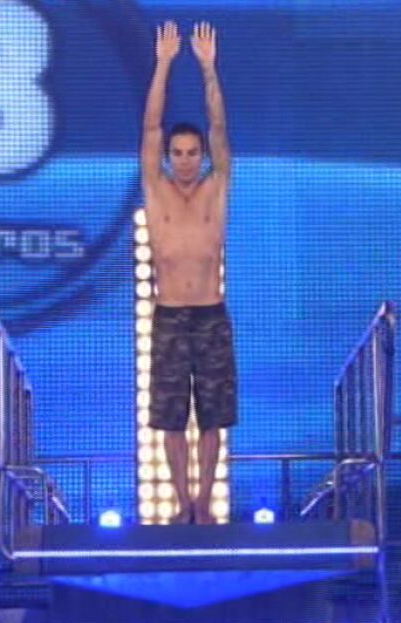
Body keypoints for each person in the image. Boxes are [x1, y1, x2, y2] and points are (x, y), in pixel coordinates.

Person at [141, 21, 236, 525]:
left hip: (210, 314)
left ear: (202, 157)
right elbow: (150, 128)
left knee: (214, 416)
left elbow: (218, 128)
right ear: (167, 157)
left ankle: (204, 502)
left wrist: (207, 70)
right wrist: (162, 65)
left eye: (191, 153)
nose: (183, 161)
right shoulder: (156, 191)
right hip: (169, 316)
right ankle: (182, 504)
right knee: (171, 418)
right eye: (176, 154)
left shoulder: (215, 190)